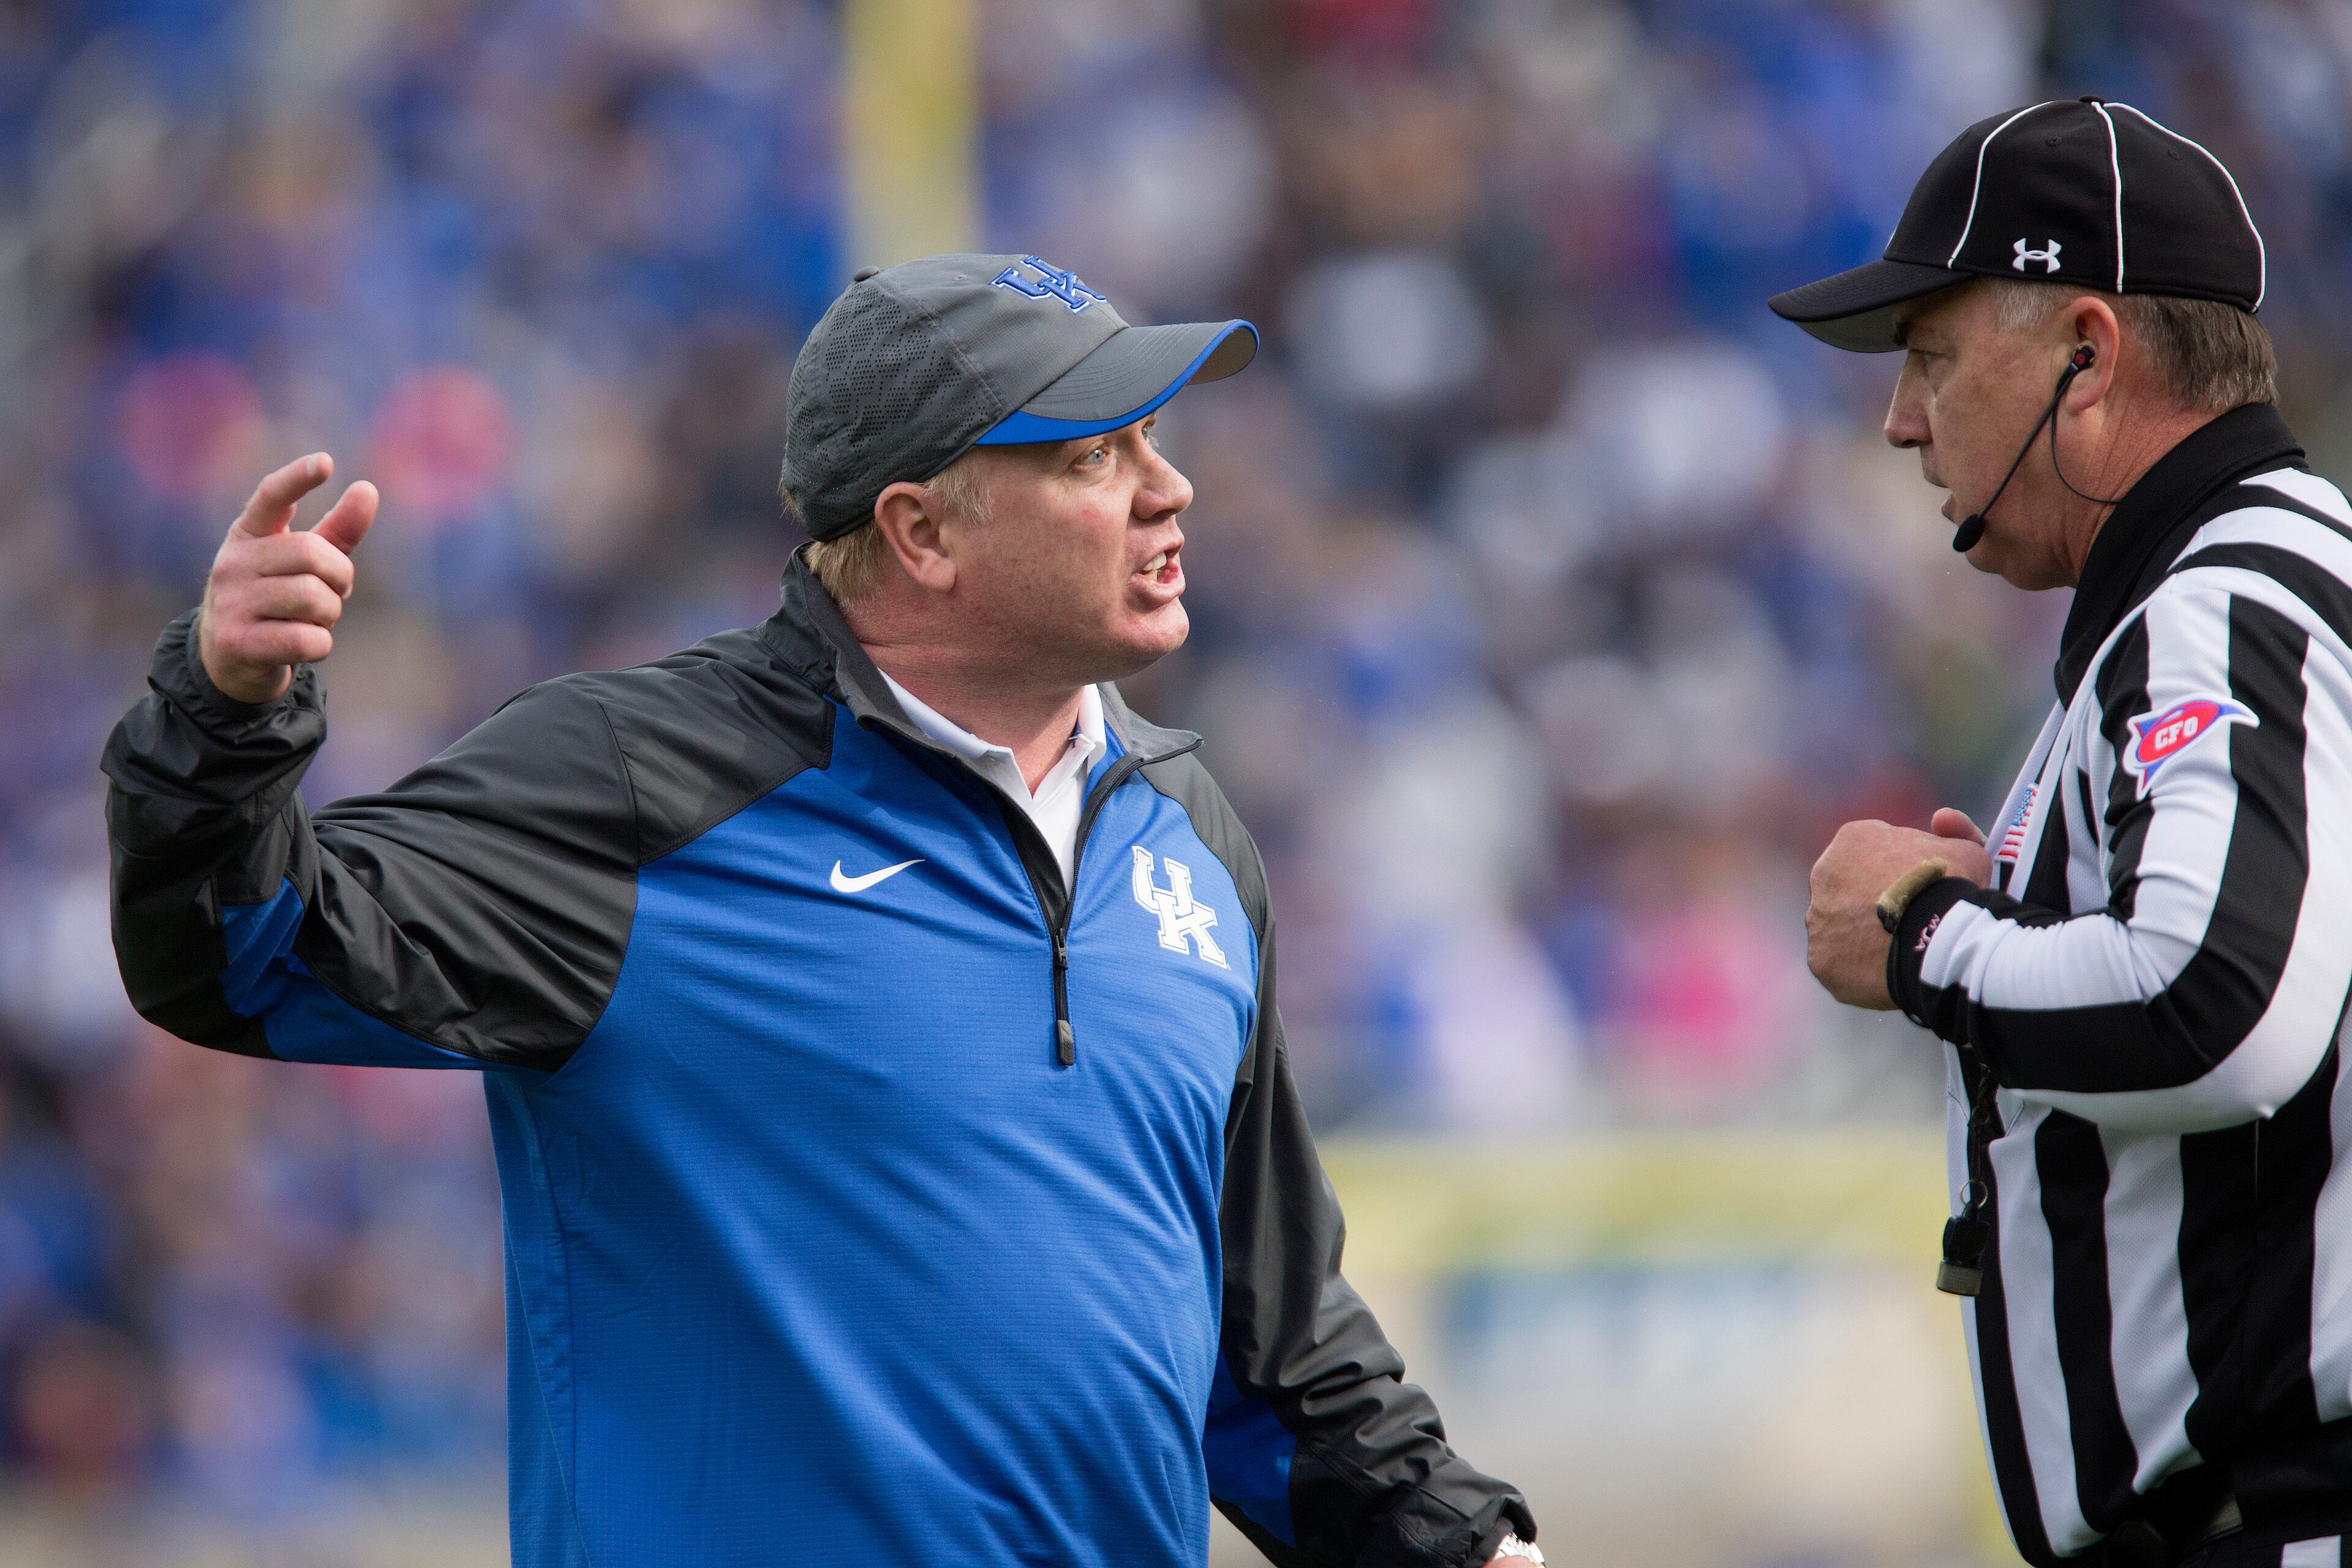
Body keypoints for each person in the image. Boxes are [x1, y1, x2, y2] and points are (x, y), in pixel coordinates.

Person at [102, 254, 1540, 1568]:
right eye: (1095, 455)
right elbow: (234, 958)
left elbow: (1268, 1350)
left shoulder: (1193, 840)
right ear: (922, 531)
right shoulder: (639, 787)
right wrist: (224, 711)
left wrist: (1464, 1545)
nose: (1169, 490)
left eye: (1155, 441)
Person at [1776, 100, 2352, 1568]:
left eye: (1933, 357)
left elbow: (2218, 1002)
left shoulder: (2220, 606)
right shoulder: (2269, 582)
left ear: (2087, 354)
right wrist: (2014, 920)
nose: (1902, 420)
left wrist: (1921, 936)